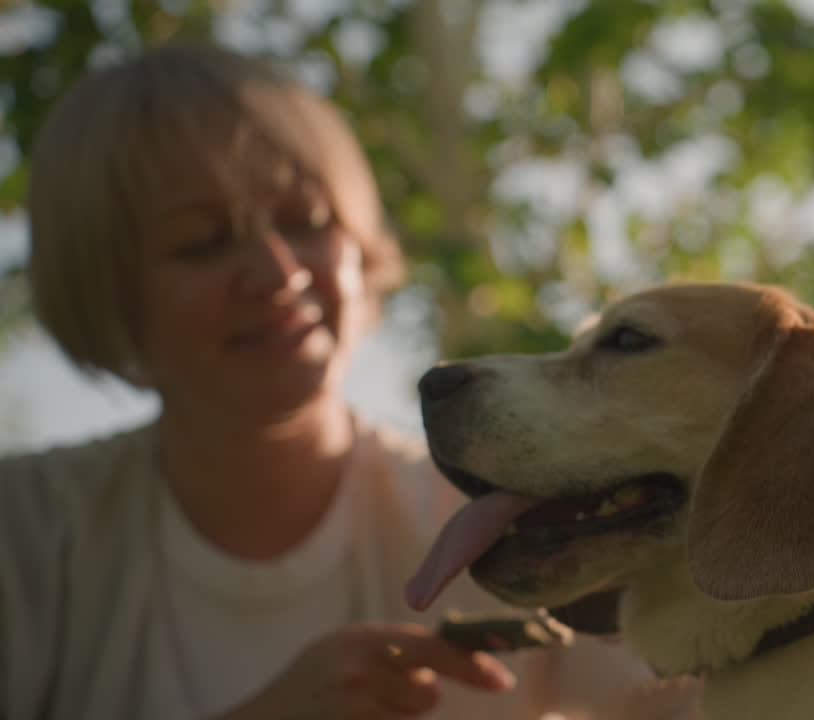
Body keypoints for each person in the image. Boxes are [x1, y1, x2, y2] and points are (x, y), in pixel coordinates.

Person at [0, 42, 702, 719]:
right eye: (201, 242)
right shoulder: (26, 531)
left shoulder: (506, 528)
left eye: (306, 221)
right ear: (105, 291)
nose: (278, 273)